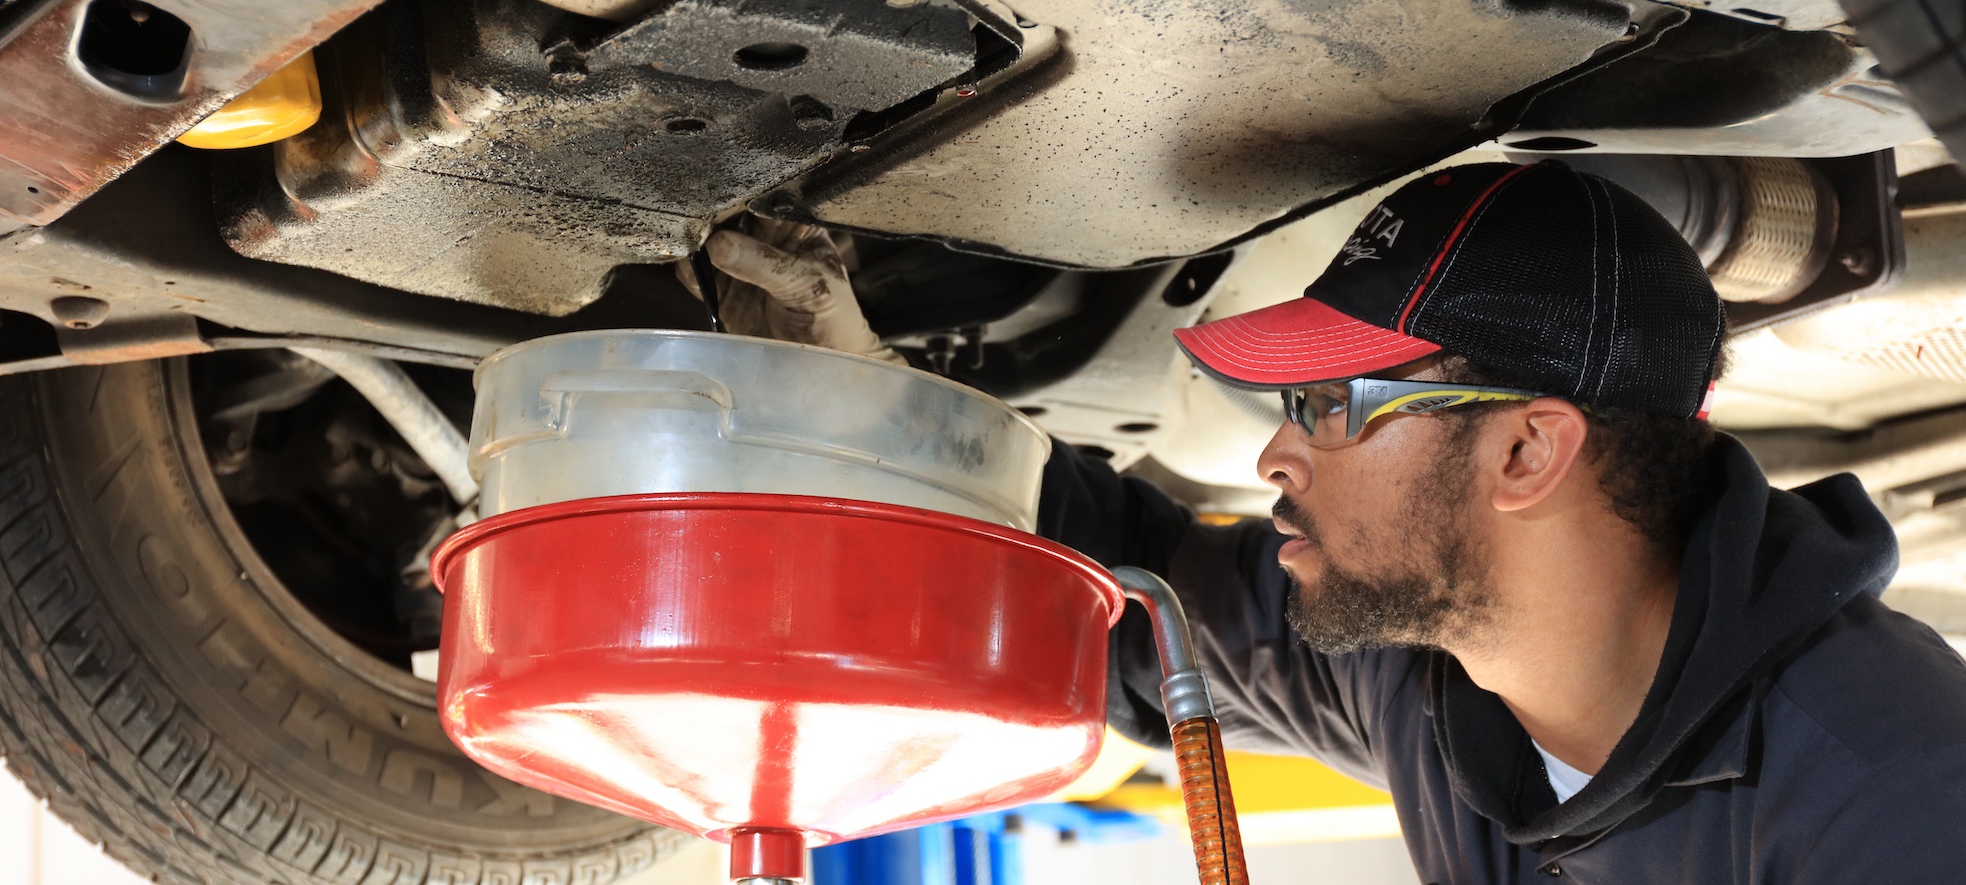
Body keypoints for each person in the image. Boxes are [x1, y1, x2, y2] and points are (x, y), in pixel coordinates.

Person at [690, 162, 1966, 882]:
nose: (1273, 452)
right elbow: (1144, 605)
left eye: (1328, 403)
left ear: (1524, 447)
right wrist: (874, 410)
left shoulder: (1892, 794)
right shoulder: (1427, 683)